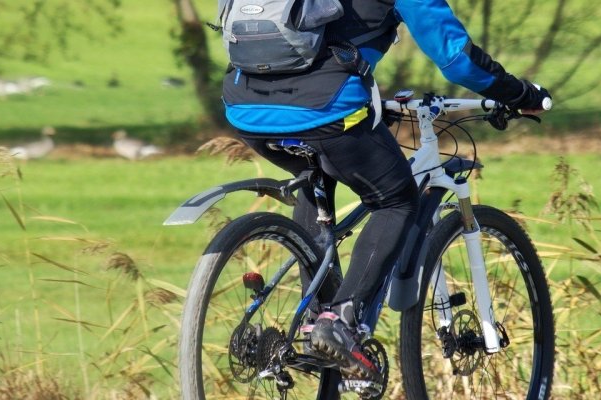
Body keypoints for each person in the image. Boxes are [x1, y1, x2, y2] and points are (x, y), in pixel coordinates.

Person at [222, 0, 551, 377]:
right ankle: (341, 320)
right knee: (395, 200)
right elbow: (456, 57)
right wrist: (521, 94)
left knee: (315, 182)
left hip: (244, 109)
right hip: (327, 108)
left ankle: (316, 321)